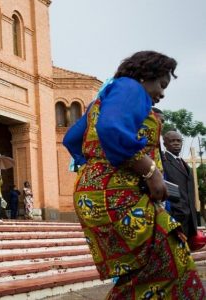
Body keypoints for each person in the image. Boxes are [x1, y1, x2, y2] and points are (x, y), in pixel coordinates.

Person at [63, 51, 204, 297]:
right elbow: (110, 127)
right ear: (144, 76)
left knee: (146, 273)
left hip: (94, 197)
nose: (162, 93)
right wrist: (150, 171)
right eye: (161, 84)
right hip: (120, 196)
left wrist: (97, 168)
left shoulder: (100, 101)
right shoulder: (130, 87)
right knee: (172, 260)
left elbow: (71, 139)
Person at [162, 130, 200, 240]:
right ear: (165, 144)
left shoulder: (183, 163)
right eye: (172, 141)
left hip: (189, 219)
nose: (176, 143)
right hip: (175, 218)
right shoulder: (163, 162)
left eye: (178, 141)